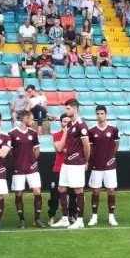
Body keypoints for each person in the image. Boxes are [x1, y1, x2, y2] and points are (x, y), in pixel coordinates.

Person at [51, 99, 90, 230]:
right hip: (67, 162)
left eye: (68, 109)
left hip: (77, 163)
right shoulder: (71, 125)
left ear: (74, 108)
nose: (65, 111)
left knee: (78, 189)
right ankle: (65, 218)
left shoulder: (81, 125)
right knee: (61, 188)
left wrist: (85, 161)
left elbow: (86, 146)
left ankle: (80, 220)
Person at [9, 110, 45, 228]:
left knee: (37, 191)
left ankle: (37, 219)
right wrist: (17, 160)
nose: (33, 121)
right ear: (25, 119)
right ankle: (22, 219)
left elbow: (37, 150)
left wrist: (32, 162)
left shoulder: (33, 133)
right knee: (19, 193)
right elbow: (9, 152)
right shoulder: (12, 134)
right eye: (31, 119)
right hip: (18, 169)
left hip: (32, 168)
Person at [87, 105, 119, 227]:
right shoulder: (91, 131)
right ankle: (94, 216)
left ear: (106, 114)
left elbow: (116, 146)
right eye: (98, 114)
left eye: (102, 113)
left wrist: (110, 157)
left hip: (110, 166)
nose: (100, 116)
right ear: (96, 115)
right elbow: (90, 148)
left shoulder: (113, 129)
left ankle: (111, 216)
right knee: (96, 191)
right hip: (96, 166)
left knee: (111, 190)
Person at [48, 114, 77, 224]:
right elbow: (59, 148)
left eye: (68, 122)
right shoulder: (56, 135)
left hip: (71, 168)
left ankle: (72, 215)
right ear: (61, 123)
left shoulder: (75, 136)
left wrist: (67, 150)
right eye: (64, 122)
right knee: (54, 194)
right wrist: (65, 133)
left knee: (72, 194)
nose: (66, 124)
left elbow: (74, 151)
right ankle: (52, 215)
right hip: (58, 168)